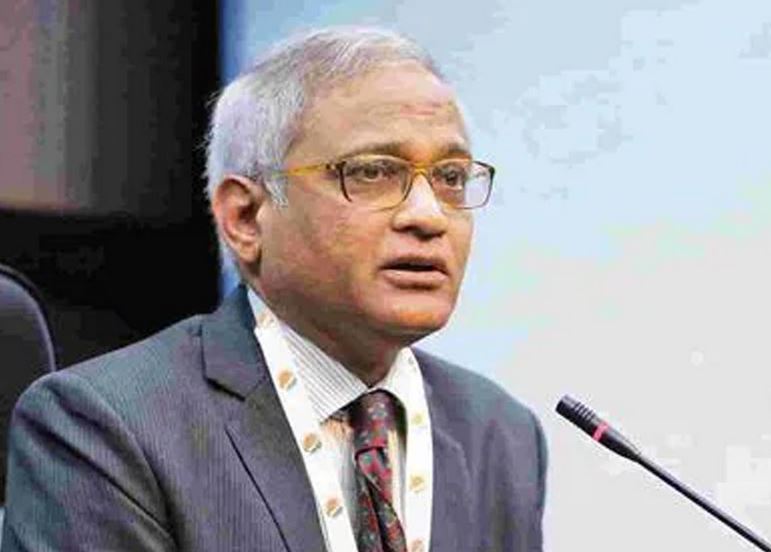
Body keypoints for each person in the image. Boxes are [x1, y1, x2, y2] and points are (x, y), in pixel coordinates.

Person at [1, 27, 547, 552]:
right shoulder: (103, 425)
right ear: (245, 217)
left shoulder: (500, 433)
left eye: (450, 178)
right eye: (372, 172)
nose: (428, 216)